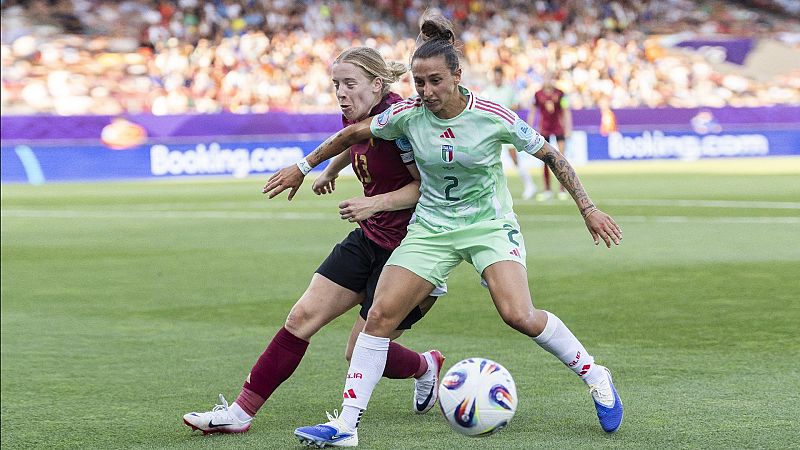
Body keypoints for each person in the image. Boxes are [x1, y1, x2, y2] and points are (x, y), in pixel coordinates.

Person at [264, 12, 624, 448]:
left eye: (435, 81)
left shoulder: (493, 116)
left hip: (487, 224)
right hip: (432, 226)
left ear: (457, 75)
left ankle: (595, 375)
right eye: (419, 83)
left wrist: (588, 208)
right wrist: (304, 167)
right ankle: (346, 424)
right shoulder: (409, 114)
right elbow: (353, 134)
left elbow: (552, 156)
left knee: (518, 315)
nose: (426, 92)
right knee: (377, 318)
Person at [182, 47, 447, 435]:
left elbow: (425, 187)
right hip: (371, 237)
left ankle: (425, 366)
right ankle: (240, 413)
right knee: (300, 318)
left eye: (349, 84)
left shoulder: (403, 121)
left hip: (413, 251)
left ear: (377, 85)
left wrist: (374, 203)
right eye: (336, 83)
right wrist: (328, 169)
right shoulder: (356, 112)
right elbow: (348, 140)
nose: (340, 92)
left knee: (358, 351)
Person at [482, 66, 537, 200]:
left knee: (514, 158)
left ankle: (529, 185)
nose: (496, 78)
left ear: (502, 76)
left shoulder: (509, 90)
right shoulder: (488, 90)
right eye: (495, 75)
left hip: (506, 129)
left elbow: (515, 106)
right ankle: (491, 191)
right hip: (491, 131)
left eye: (498, 75)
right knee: (489, 160)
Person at [528, 73, 573, 201]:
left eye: (549, 78)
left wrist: (568, 127)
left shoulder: (560, 93)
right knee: (546, 160)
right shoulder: (537, 94)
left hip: (558, 128)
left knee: (562, 159)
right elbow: (532, 111)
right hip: (545, 129)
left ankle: (562, 189)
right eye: (545, 77)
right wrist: (530, 127)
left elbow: (565, 110)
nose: (547, 80)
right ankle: (547, 189)